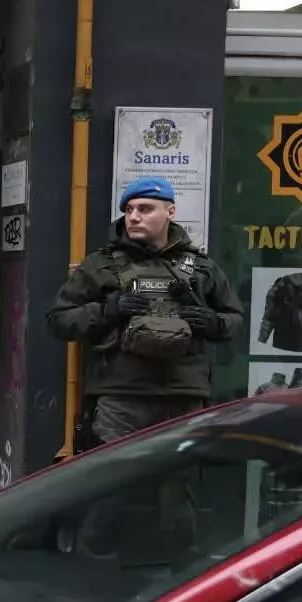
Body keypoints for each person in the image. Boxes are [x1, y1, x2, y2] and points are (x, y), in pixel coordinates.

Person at [47, 176, 244, 445]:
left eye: (145, 209)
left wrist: (213, 323)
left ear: (170, 212)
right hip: (121, 400)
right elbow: (58, 319)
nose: (134, 217)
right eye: (129, 210)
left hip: (183, 397)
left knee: (178, 472)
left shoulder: (200, 267)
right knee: (118, 470)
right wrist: (107, 311)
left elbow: (234, 318)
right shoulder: (101, 264)